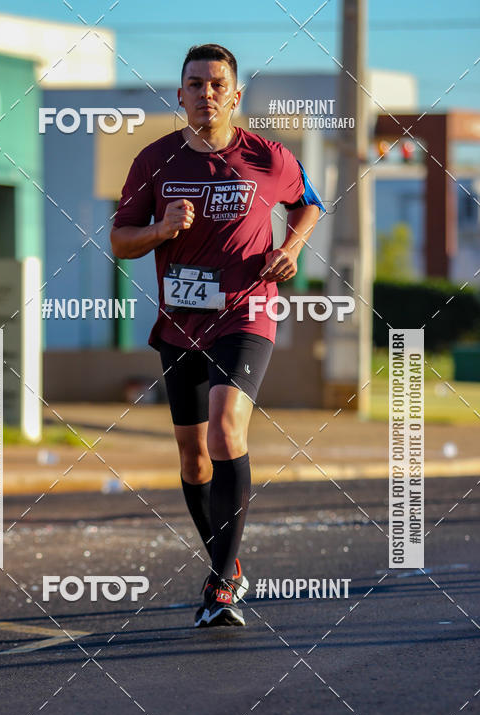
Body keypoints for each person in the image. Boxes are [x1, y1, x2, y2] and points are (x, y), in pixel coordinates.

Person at [110, 44, 323, 628]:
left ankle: (223, 584)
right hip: (181, 322)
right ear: (179, 95)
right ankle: (223, 562)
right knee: (192, 454)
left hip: (246, 312)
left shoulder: (268, 157)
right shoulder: (154, 161)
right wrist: (159, 228)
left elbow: (310, 203)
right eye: (195, 83)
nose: (206, 93)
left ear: (235, 95)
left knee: (227, 425)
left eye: (217, 84)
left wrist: (291, 246)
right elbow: (120, 240)